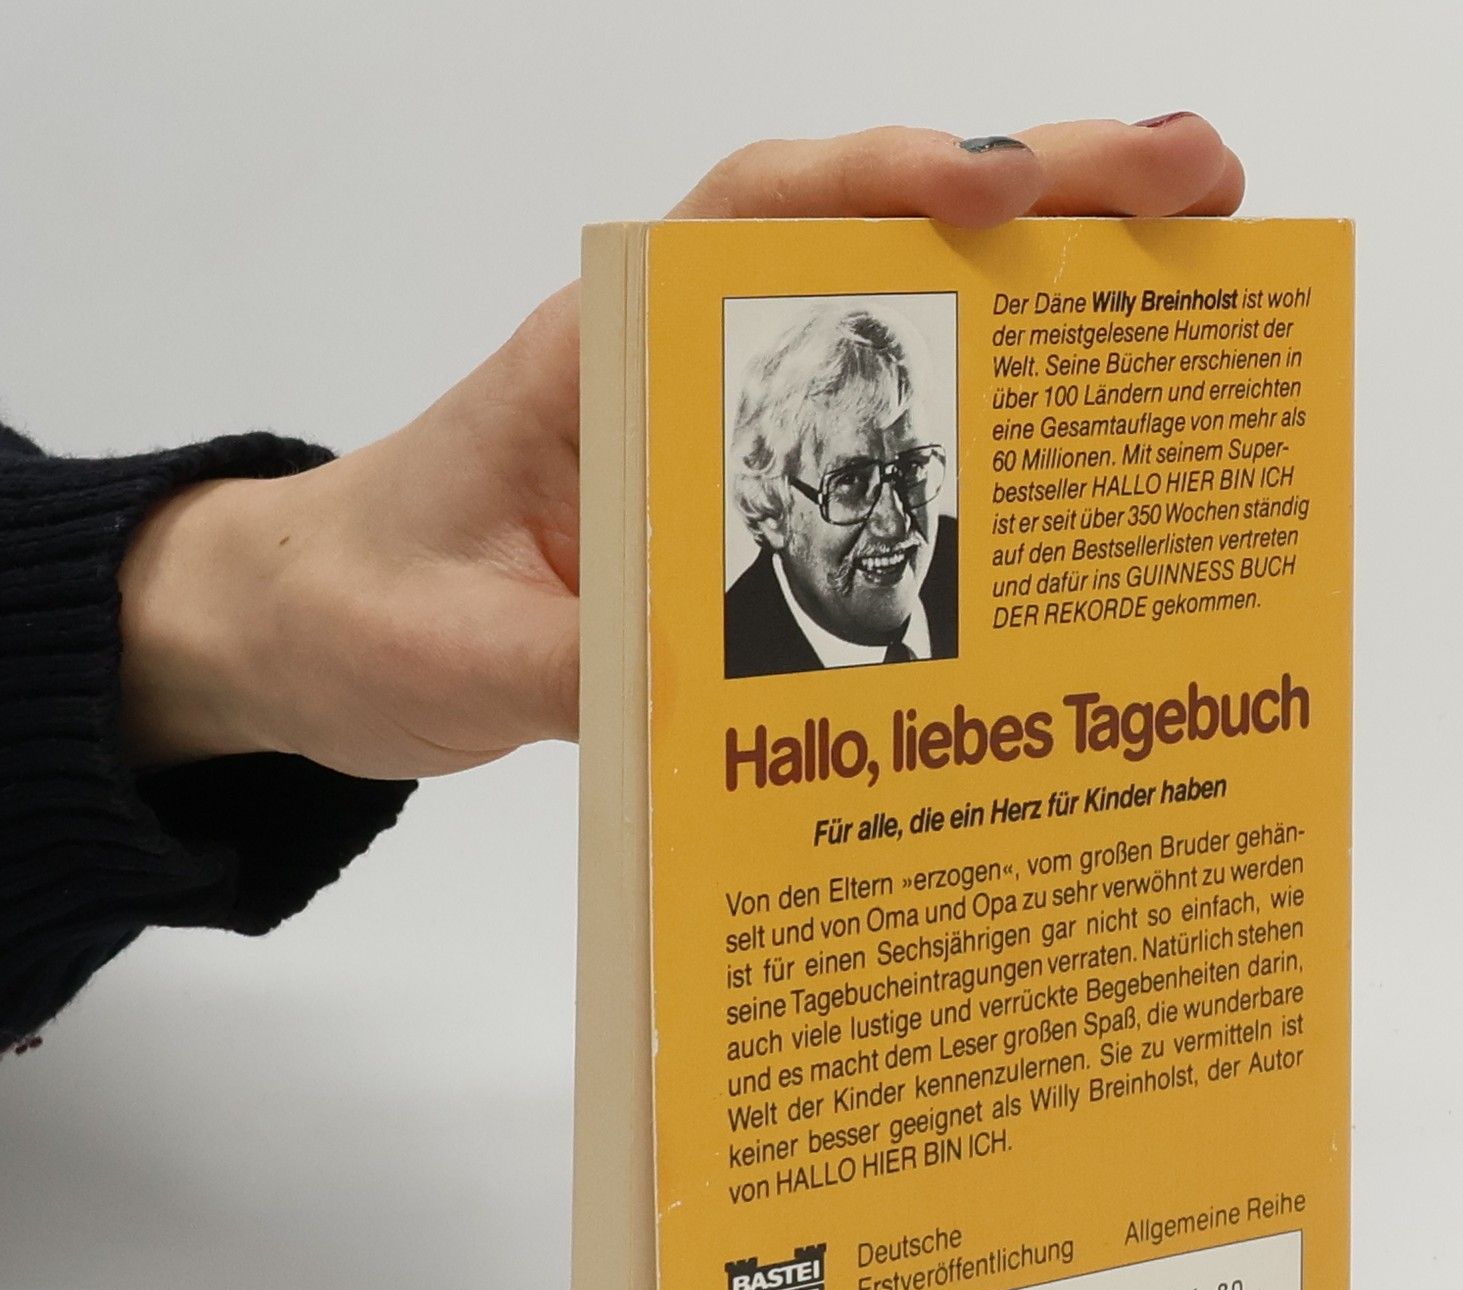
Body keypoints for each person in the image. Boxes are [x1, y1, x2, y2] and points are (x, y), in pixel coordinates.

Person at [0, 117, 1243, 1056]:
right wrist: (228, 619)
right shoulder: (722, 646)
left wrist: (234, 607)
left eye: (911, 467)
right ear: (764, 502)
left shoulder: (1005, 598)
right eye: (850, 482)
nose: (900, 518)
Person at [725, 301, 956, 677]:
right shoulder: (729, 658)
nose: (894, 523)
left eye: (911, 467)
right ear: (772, 508)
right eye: (850, 482)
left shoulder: (973, 566)